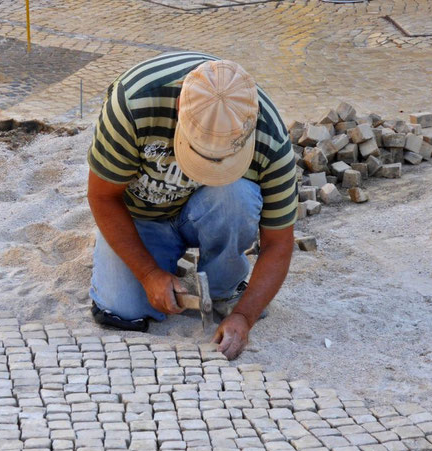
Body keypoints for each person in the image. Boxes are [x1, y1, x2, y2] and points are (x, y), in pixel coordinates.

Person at [86, 52, 297, 360]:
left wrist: (245, 316)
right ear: (178, 110)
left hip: (210, 209)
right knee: (123, 310)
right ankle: (150, 256)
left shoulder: (271, 137)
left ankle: (225, 286)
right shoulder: (133, 103)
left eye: (220, 163)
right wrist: (147, 273)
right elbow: (102, 196)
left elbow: (279, 243)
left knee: (236, 197)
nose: (202, 173)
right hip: (141, 216)